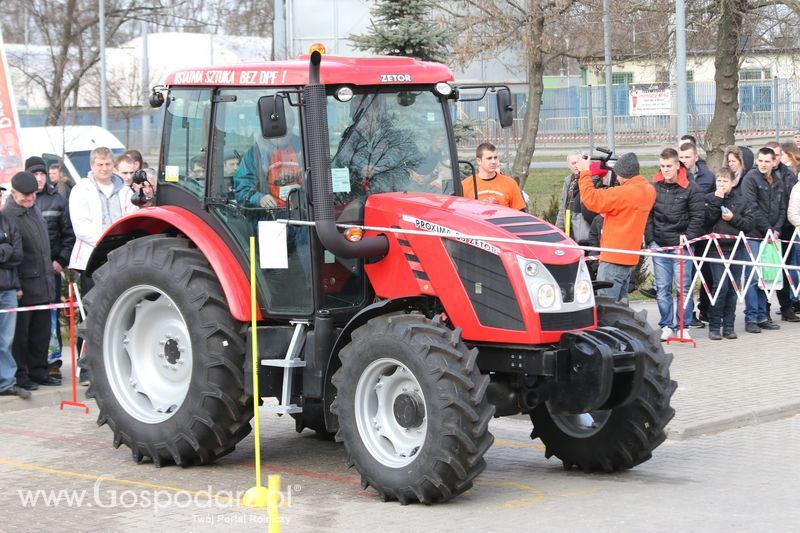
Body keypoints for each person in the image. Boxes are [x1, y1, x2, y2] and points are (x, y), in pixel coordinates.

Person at [69, 147, 138, 383]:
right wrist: (106, 239)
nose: (104, 169)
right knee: (91, 313)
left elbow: (132, 215)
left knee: (119, 311)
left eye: (108, 164)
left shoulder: (125, 190)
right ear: (92, 166)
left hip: (120, 257)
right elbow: (81, 225)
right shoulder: (81, 190)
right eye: (100, 165)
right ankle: (87, 368)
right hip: (92, 257)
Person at [577, 152, 655, 303]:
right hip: (630, 259)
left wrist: (584, 172)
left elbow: (590, 199)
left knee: (607, 309)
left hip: (612, 259)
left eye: (617, 175)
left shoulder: (622, 194)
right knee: (621, 308)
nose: (617, 179)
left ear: (624, 175)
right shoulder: (648, 191)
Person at [3, 171, 57, 388]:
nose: (29, 199)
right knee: (20, 335)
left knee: (41, 332)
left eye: (32, 195)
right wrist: (16, 285)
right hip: (24, 284)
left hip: (43, 282)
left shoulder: (34, 210)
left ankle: (39, 369)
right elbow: (13, 257)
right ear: (13, 193)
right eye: (24, 196)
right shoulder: (9, 216)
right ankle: (20, 373)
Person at [645, 148, 706, 341]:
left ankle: (683, 325)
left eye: (669, 166)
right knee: (662, 287)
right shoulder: (654, 186)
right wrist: (651, 239)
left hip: (681, 245)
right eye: (662, 166)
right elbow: (648, 215)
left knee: (683, 288)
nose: (665, 170)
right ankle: (666, 325)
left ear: (677, 165)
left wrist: (687, 237)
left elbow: (698, 217)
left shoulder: (691, 187)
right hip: (660, 244)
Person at [27, 156, 75, 378]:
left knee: (51, 316)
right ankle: (31, 362)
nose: (38, 178)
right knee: (29, 318)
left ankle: (53, 361)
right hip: (27, 273)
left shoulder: (57, 200)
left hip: (51, 270)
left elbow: (68, 235)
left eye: (42, 174)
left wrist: (61, 261)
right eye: (34, 174)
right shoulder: (22, 200)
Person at [704, 168, 754, 340]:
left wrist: (732, 218)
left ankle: (729, 325)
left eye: (725, 181)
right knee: (720, 287)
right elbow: (708, 219)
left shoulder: (742, 201)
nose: (721, 184)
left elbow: (748, 224)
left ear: (733, 182)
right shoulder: (710, 199)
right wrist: (717, 200)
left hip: (736, 249)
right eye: (719, 180)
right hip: (716, 250)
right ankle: (715, 325)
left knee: (733, 288)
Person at [740, 147, 786, 333]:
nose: (763, 164)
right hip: (754, 234)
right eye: (760, 160)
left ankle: (761, 315)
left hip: (771, 237)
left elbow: (782, 208)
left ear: (774, 162)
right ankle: (751, 318)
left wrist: (776, 230)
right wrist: (767, 229)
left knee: (765, 278)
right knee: (752, 278)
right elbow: (752, 207)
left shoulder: (778, 181)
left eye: (767, 161)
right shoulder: (750, 179)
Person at [0, 186, 27, 398]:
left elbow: (17, 255)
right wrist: (5, 249)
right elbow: (9, 252)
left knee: (5, 340)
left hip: (8, 289)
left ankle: (6, 383)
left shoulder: (8, 221)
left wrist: (6, 250)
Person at [461, 143, 526, 210]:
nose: (493, 161)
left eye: (495, 158)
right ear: (479, 161)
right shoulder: (465, 185)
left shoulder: (510, 184)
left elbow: (519, 213)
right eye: (489, 158)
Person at [556, 153, 601, 243]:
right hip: (570, 226)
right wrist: (558, 230)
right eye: (573, 163)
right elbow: (563, 206)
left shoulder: (592, 180)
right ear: (568, 165)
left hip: (585, 230)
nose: (576, 166)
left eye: (578, 162)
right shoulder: (568, 181)